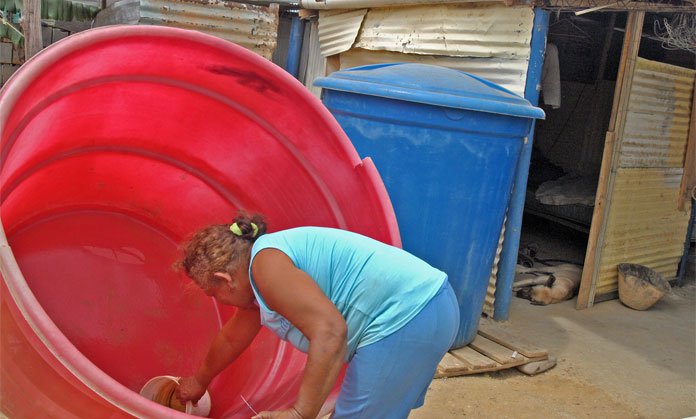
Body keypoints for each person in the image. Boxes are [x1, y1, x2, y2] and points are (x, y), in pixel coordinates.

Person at [175, 212, 460, 419]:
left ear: (225, 279)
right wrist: (200, 381)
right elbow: (230, 339)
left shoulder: (266, 268)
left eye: (213, 294)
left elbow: (330, 331)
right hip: (429, 307)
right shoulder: (260, 276)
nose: (221, 302)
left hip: (408, 315)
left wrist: (301, 413)